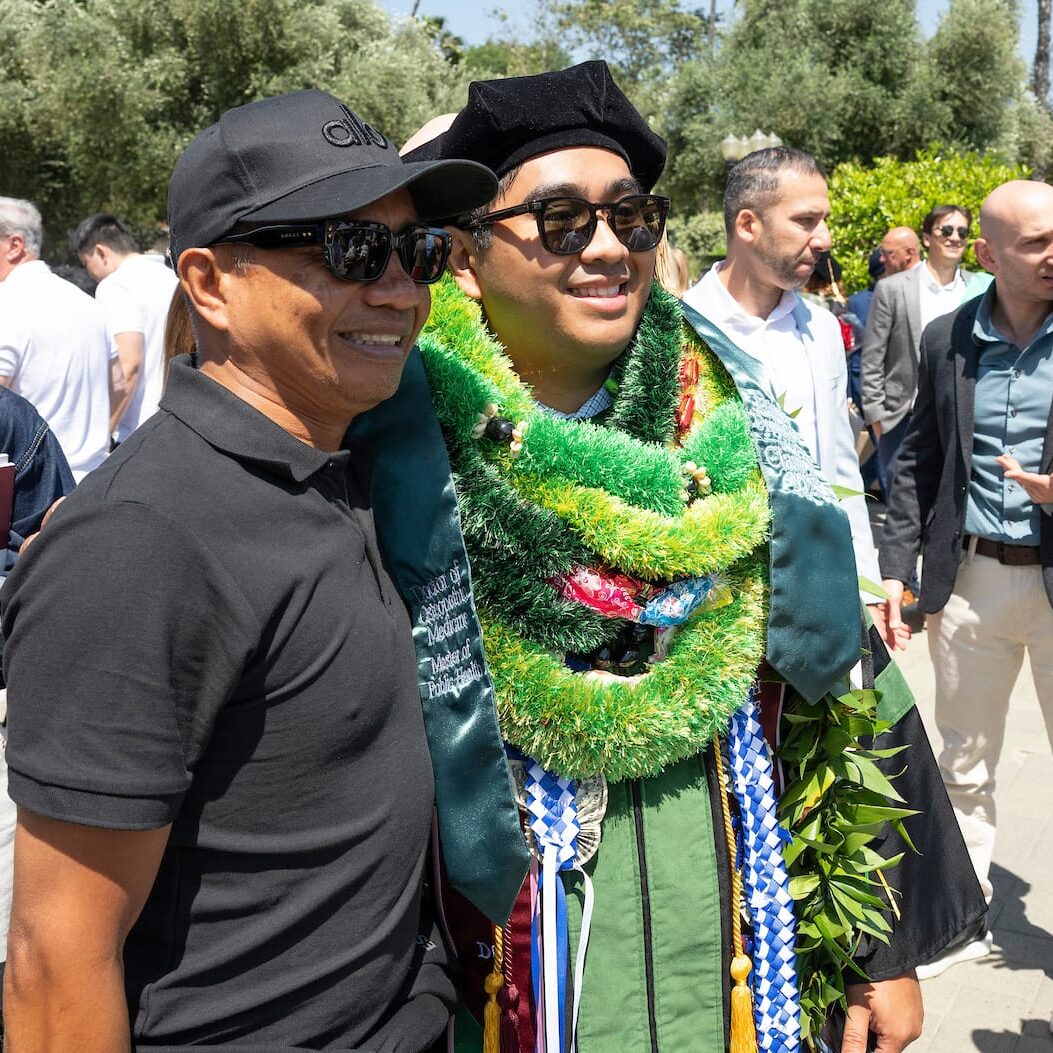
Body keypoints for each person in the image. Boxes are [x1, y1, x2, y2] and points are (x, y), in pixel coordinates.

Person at [405, 64, 983, 1053]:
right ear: (464, 256)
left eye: (631, 219)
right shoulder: (398, 457)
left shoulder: (737, 435)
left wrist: (881, 949)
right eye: (559, 221)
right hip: (505, 980)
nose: (607, 249)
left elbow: (841, 683)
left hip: (733, 952)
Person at [0, 88, 527, 1050]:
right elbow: (54, 962)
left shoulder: (355, 465)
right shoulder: (143, 540)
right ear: (208, 282)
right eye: (351, 251)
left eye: (416, 252)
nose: (401, 291)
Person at [879, 179, 1053, 977]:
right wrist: (899, 570)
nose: (1052, 253)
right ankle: (965, 912)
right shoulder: (947, 337)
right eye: (1034, 242)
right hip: (973, 579)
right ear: (987, 255)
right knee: (964, 760)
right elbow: (914, 458)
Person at [684, 149, 888, 630]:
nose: (825, 239)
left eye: (824, 220)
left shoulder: (820, 329)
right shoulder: (680, 328)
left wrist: (867, 587)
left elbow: (841, 466)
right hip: (711, 616)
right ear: (748, 225)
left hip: (820, 605)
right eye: (805, 221)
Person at [861, 208, 989, 483]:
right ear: (928, 238)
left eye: (962, 232)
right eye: (946, 230)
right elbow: (872, 357)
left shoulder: (981, 288)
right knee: (901, 511)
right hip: (903, 418)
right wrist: (877, 419)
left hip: (959, 418)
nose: (955, 237)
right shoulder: (894, 288)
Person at [0, 197, 118, 480]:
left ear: (14, 246)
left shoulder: (6, 305)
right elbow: (121, 382)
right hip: (93, 482)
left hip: (32, 495)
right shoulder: (87, 303)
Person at [71, 213, 179, 442]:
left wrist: (101, 437)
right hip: (177, 421)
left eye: (86, 264)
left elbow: (128, 366)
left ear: (101, 252)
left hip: (138, 431)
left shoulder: (115, 286)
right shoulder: (172, 279)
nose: (89, 274)